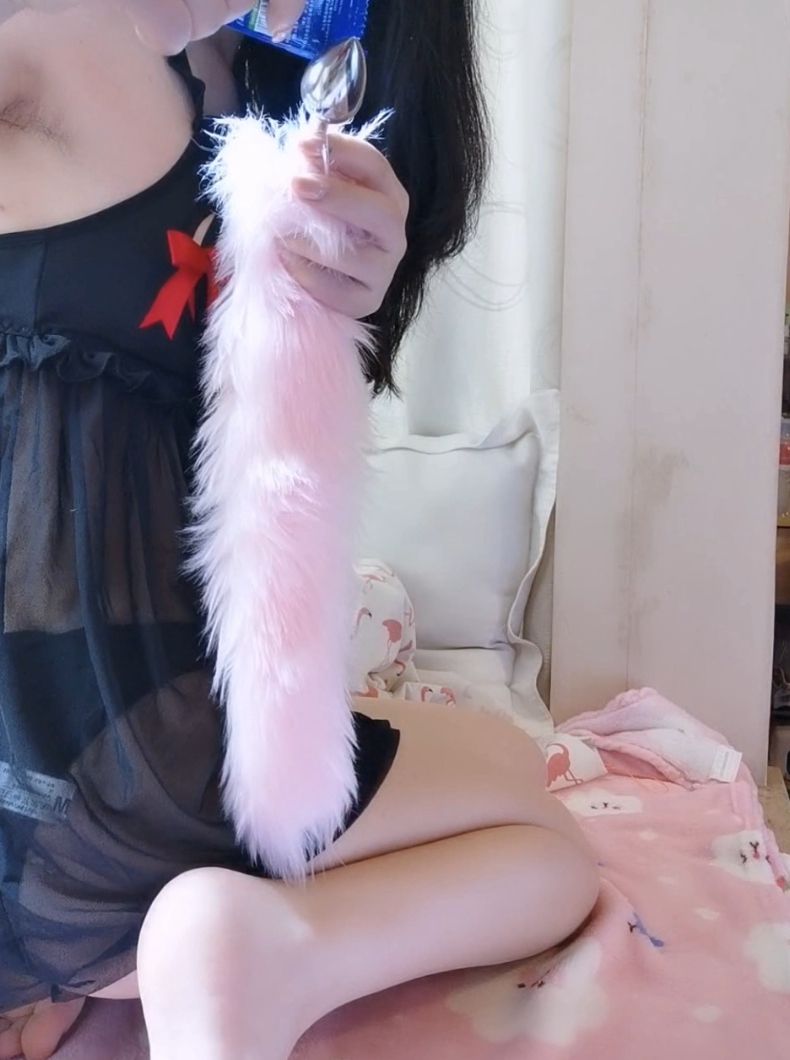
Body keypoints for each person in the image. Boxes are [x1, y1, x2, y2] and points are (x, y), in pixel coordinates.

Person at [0, 2, 599, 1057]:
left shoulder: (250, 102)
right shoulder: (81, 37)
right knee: (547, 846)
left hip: (59, 789)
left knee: (506, 769)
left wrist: (325, 313)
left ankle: (81, 955)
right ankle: (259, 950)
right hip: (121, 776)